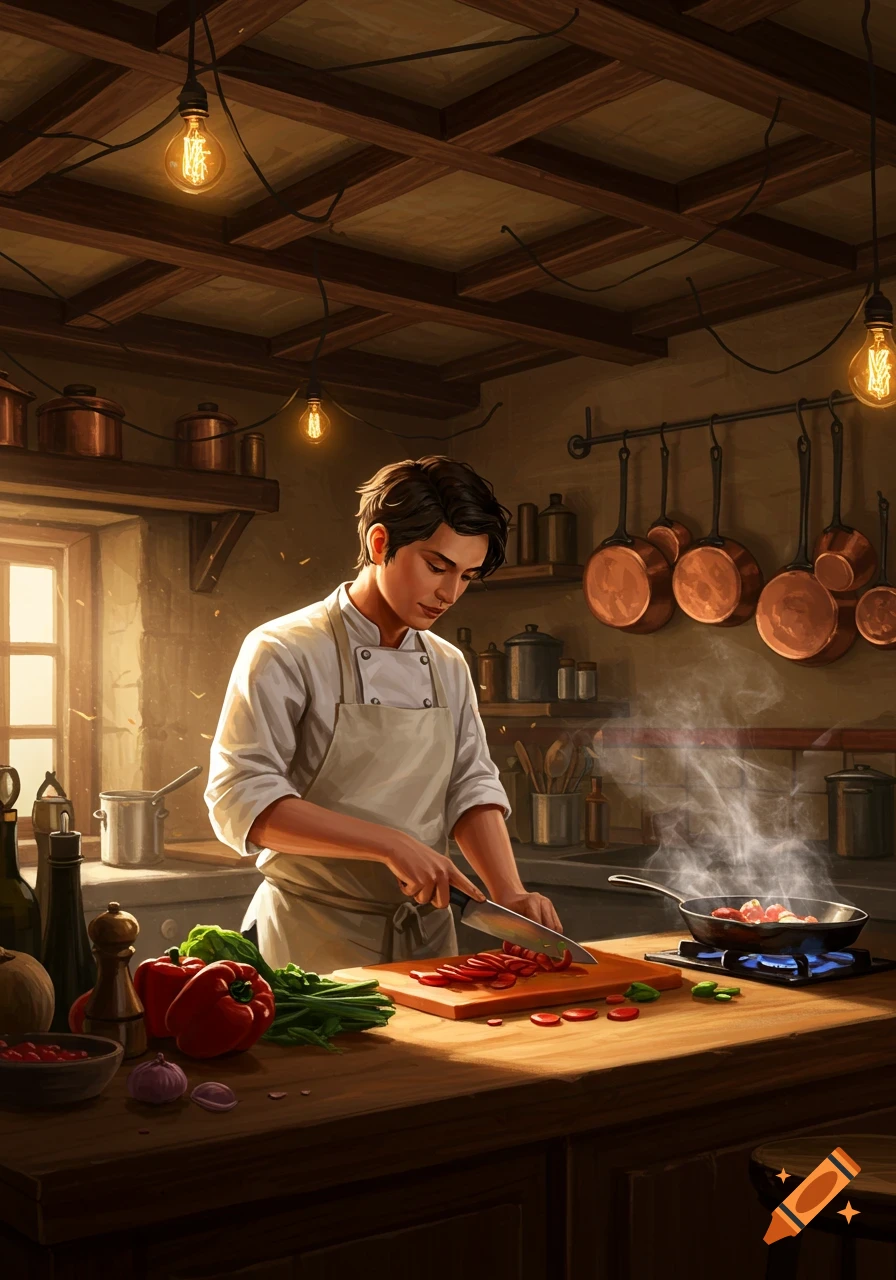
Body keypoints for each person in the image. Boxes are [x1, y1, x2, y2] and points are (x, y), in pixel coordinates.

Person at [206, 455, 561, 972]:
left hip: (428, 937)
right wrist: (389, 845)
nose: (449, 593)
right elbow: (241, 799)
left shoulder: (448, 664)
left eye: (466, 576)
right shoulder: (284, 649)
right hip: (313, 937)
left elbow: (469, 784)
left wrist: (509, 892)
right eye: (437, 567)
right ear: (379, 544)